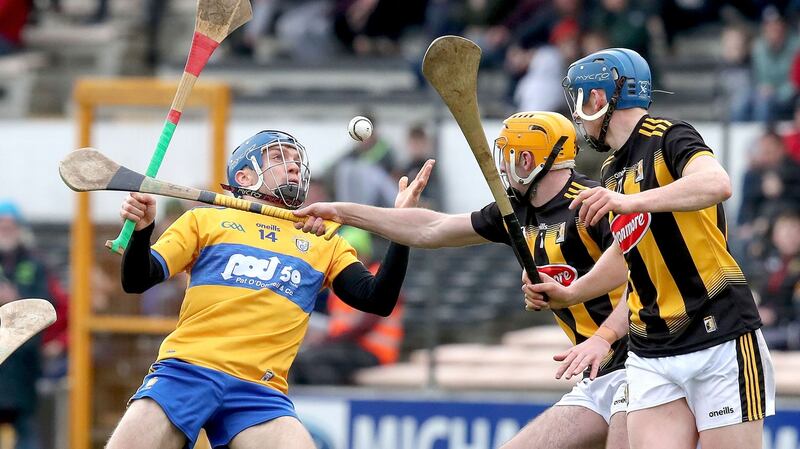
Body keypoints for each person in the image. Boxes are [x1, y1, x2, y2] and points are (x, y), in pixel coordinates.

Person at [294, 111, 631, 449]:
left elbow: (649, 283)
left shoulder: (594, 205)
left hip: (636, 365)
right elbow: (431, 228)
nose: (501, 165)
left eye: (507, 153)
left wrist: (603, 335)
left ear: (526, 159)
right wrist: (341, 211)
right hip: (599, 377)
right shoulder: (514, 210)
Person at [105, 130, 431, 449]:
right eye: (278, 157)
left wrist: (400, 227)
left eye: (295, 159)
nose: (292, 165)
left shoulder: (324, 242)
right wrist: (142, 231)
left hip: (260, 392)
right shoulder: (204, 222)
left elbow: (378, 299)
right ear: (244, 177)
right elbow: (137, 280)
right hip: (185, 372)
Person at [525, 48, 774, 449]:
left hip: (718, 332)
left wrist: (631, 202)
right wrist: (573, 292)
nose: (576, 113)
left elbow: (717, 183)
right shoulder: (611, 170)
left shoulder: (671, 136)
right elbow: (628, 253)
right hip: (652, 347)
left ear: (599, 99)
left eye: (580, 98)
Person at [292, 226, 404, 385]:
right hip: (347, 347)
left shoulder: (378, 278)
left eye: (354, 253)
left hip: (373, 351)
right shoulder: (342, 279)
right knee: (302, 358)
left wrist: (328, 340)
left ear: (365, 254)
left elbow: (363, 326)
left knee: (312, 361)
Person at [0, 201, 48, 449]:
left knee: (26, 433)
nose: (5, 230)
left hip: (23, 367)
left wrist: (14, 300)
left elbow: (44, 308)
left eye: (10, 225)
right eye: (1, 225)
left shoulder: (34, 263)